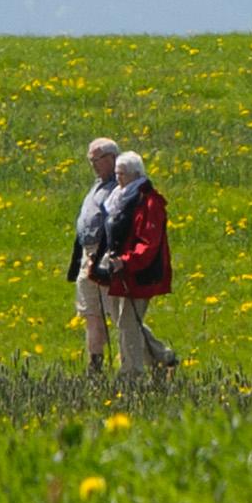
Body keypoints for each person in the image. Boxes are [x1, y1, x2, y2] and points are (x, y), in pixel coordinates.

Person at [90, 149, 178, 379]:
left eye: (123, 174)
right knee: (124, 321)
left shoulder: (149, 203)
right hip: (121, 272)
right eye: (117, 173)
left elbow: (148, 244)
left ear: (136, 174)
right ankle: (162, 357)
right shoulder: (118, 198)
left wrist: (125, 262)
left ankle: (131, 374)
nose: (117, 178)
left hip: (141, 273)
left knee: (128, 323)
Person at [65, 138, 127, 375]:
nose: (93, 164)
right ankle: (95, 365)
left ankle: (132, 362)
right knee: (90, 312)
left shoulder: (119, 188)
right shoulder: (96, 186)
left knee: (116, 312)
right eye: (90, 160)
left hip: (105, 255)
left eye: (97, 159)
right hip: (86, 255)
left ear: (112, 158)